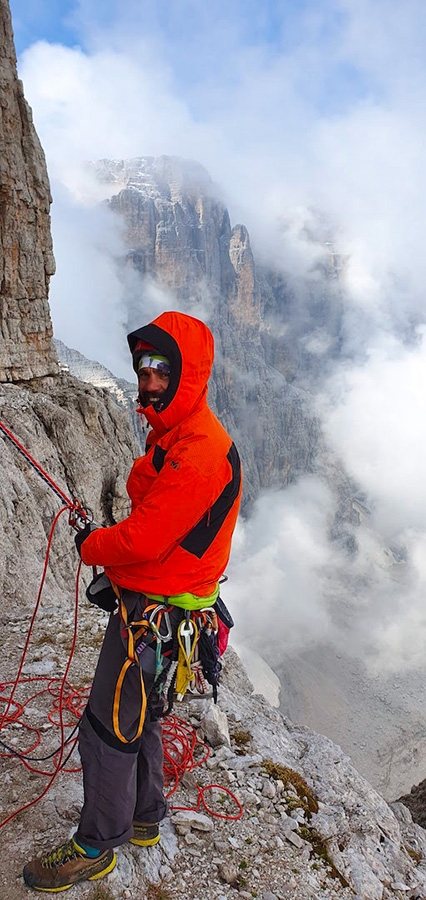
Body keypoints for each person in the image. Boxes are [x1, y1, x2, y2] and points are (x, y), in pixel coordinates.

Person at [23, 311, 242, 892]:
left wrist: (93, 546)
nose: (147, 380)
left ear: (186, 374)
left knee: (106, 726)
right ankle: (145, 818)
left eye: (161, 369)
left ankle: (96, 843)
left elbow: (144, 537)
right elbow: (154, 513)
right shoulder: (180, 437)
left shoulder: (197, 452)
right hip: (165, 613)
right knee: (139, 716)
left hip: (152, 615)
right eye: (143, 367)